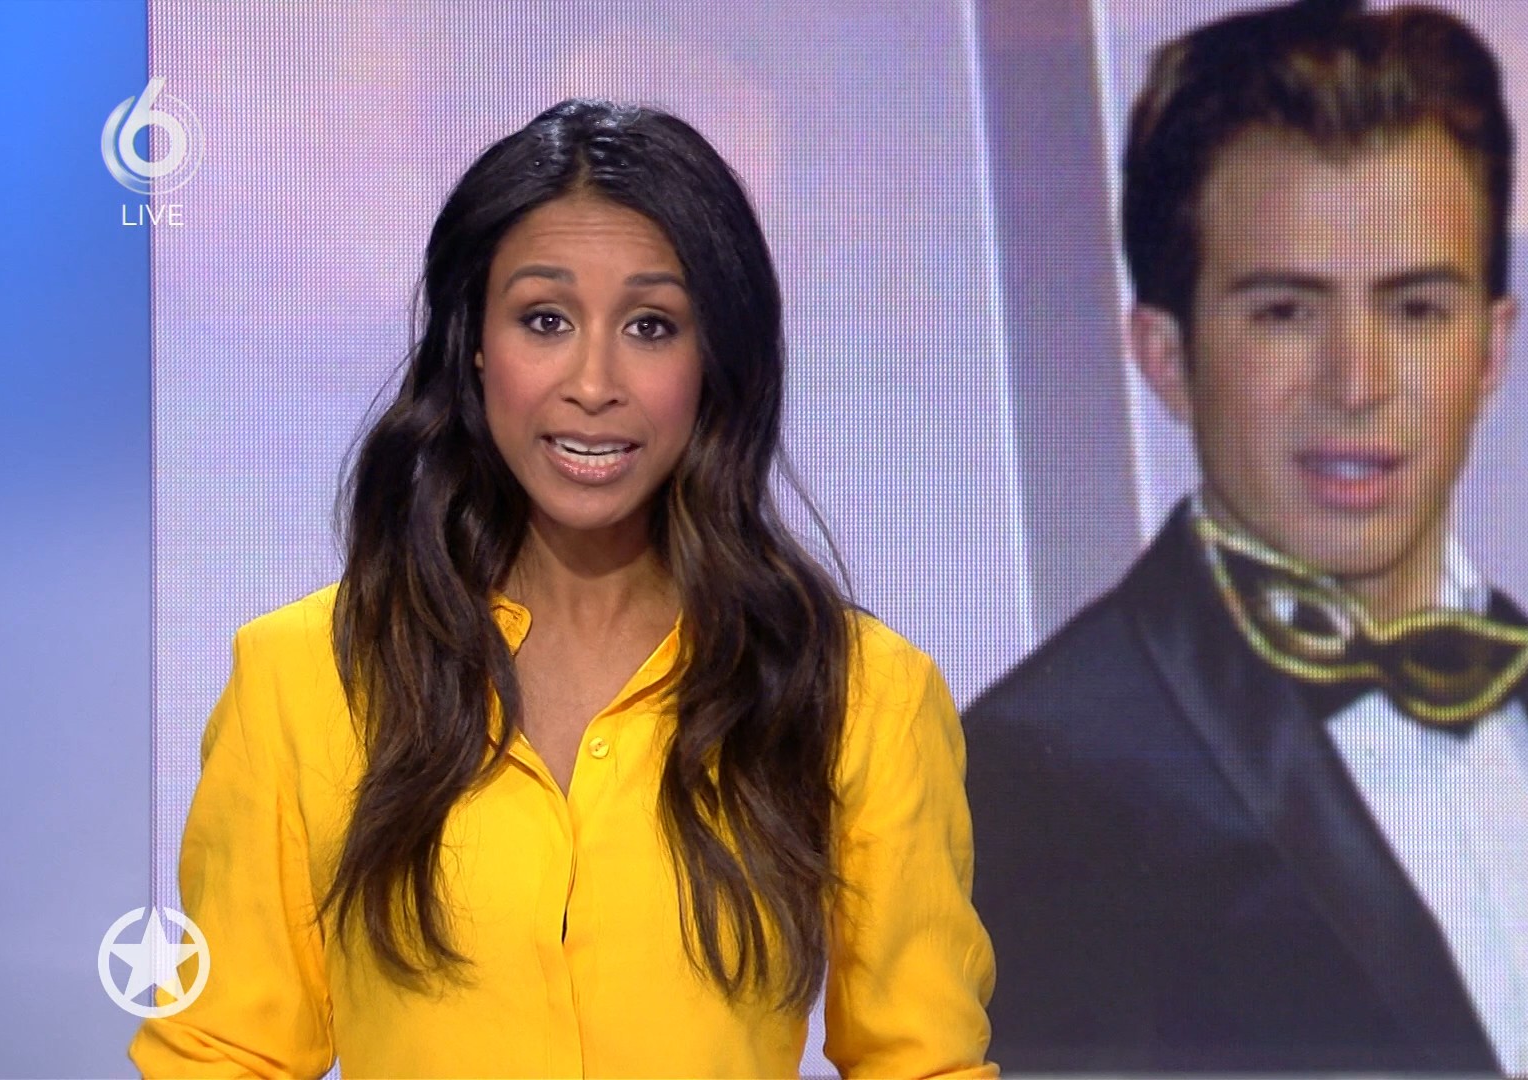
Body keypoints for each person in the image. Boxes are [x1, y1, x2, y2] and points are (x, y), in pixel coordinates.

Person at [131, 99, 995, 1077]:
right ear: (474, 343)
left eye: (651, 326)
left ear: (716, 360)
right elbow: (224, 1055)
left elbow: (919, 1062)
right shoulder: (307, 678)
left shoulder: (857, 695)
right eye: (545, 320)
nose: (592, 382)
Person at [964, 1, 1528, 1073]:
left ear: (1490, 348)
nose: (1358, 384)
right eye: (1285, 311)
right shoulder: (1040, 770)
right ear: (1167, 357)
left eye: (1416, 310)